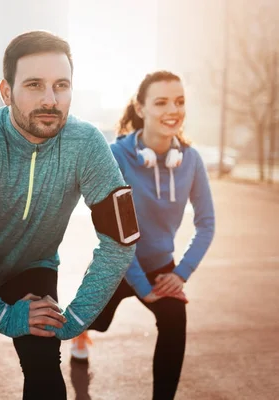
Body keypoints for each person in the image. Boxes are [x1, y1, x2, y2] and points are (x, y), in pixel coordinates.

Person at [0, 30, 137, 400]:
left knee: (44, 361)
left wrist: (75, 319)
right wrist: (3, 315)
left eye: (61, 85)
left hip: (33, 266)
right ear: (6, 92)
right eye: (35, 85)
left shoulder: (86, 143)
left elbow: (121, 237)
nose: (50, 100)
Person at [69, 71, 215, 400]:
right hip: (117, 263)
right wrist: (143, 288)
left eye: (179, 102)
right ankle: (81, 338)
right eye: (161, 102)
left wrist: (180, 274)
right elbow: (113, 230)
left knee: (175, 321)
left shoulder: (190, 160)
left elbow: (206, 222)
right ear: (141, 107)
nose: (172, 110)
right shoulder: (115, 156)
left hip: (160, 265)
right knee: (89, 321)